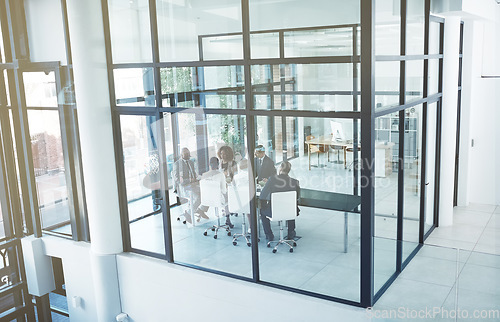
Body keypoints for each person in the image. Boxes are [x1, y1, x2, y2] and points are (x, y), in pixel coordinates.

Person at [259, 161, 300, 241]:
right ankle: (291, 232)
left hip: (275, 211)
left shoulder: (272, 179)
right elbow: (297, 197)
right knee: (290, 206)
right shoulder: (295, 182)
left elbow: (262, 195)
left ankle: (269, 235)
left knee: (262, 211)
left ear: (280, 168)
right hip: (290, 211)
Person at [171, 147, 208, 224]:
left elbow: (194, 174)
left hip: (193, 185)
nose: (188, 155)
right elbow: (178, 180)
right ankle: (188, 213)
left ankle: (201, 209)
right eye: (186, 154)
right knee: (198, 196)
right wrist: (190, 180)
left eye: (188, 153)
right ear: (181, 154)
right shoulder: (177, 164)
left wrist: (198, 178)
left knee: (207, 191)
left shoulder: (191, 162)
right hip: (183, 187)